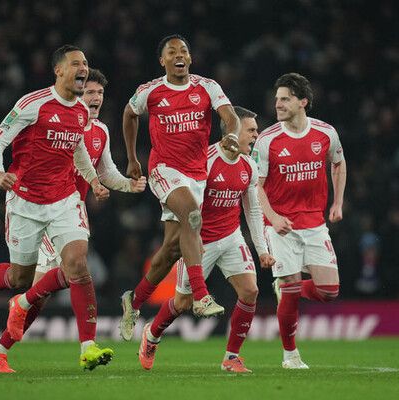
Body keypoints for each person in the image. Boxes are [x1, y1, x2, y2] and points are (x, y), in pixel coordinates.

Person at [0, 68, 147, 373]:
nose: (95, 98)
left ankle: (75, 346)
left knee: (74, 270)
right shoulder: (54, 120)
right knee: (31, 283)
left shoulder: (101, 131)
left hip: (70, 209)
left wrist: (127, 185)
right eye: (90, 92)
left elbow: (106, 171)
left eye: (99, 93)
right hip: (41, 205)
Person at [119, 34, 242, 340]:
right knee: (191, 215)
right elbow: (129, 114)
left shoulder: (207, 87)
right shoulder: (150, 91)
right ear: (162, 61)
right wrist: (132, 158)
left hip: (196, 175)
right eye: (172, 51)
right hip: (163, 170)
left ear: (190, 58)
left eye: (183, 51)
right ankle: (201, 295)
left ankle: (133, 302)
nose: (179, 55)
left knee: (172, 250)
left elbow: (230, 117)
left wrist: (231, 135)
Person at [136, 106, 275, 372]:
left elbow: (253, 209)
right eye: (251, 130)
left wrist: (262, 250)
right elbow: (184, 206)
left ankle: (231, 357)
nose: (256, 135)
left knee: (250, 291)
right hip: (200, 242)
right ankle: (151, 335)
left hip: (231, 236)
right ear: (233, 130)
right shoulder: (204, 161)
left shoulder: (249, 165)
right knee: (183, 303)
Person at [253, 73, 346, 369]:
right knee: (292, 287)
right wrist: (273, 217)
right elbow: (256, 186)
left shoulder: (325, 133)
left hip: (315, 224)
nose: (277, 104)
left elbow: (338, 163)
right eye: (277, 99)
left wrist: (338, 202)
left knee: (329, 291)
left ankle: (285, 289)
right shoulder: (267, 140)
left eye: (285, 99)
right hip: (280, 227)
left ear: (303, 102)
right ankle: (290, 355)